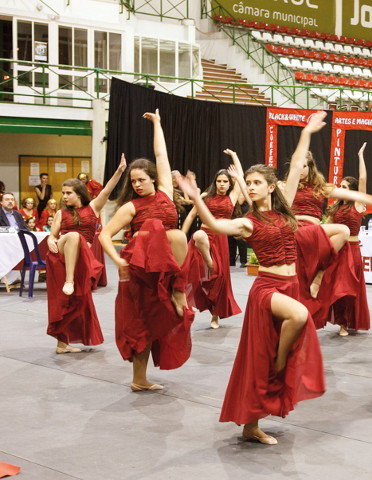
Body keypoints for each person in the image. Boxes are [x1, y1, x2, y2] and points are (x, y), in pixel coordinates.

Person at [175, 111, 327, 445]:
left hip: (291, 287)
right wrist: (196, 197)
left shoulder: (284, 208)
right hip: (267, 290)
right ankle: (280, 359)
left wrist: (306, 132)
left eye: (257, 182)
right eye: (250, 183)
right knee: (299, 318)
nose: (252, 187)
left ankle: (251, 425)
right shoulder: (249, 222)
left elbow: (299, 158)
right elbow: (215, 226)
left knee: (260, 359)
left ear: (272, 186)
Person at [98, 109, 194, 392]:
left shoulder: (165, 191)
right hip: (141, 269)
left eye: (142, 179)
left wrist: (158, 125)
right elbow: (104, 234)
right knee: (142, 320)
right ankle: (139, 379)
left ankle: (178, 290)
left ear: (153, 179)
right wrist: (117, 260)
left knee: (176, 234)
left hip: (167, 267)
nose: (137, 185)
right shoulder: (130, 207)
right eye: (134, 181)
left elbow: (161, 156)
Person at [288, 145, 372, 327]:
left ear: (310, 167)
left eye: (303, 166)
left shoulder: (324, 189)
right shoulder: (288, 187)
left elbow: (358, 185)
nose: (299, 169)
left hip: (333, 240)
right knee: (299, 281)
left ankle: (320, 279)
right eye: (296, 166)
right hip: (299, 232)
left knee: (343, 285)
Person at [45, 159, 126, 354]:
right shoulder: (61, 213)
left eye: (68, 193)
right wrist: (49, 240)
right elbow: (53, 235)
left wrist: (120, 170)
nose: (64, 197)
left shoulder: (93, 208)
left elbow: (106, 190)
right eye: (63, 193)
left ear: (79, 193)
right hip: (60, 257)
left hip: (80, 259)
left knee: (72, 301)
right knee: (73, 236)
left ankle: (61, 345)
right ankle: (70, 280)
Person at [321, 143, 372, 336]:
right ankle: (339, 321)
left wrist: (360, 156)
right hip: (337, 250)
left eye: (345, 187)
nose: (341, 189)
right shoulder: (335, 207)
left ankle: (346, 323)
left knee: (347, 289)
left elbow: (363, 178)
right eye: (340, 186)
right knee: (334, 286)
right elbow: (324, 229)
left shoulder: (359, 204)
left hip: (352, 250)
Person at [182, 152, 244, 329]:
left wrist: (234, 156)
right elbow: (192, 215)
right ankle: (184, 304)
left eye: (225, 181)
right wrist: (182, 234)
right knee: (193, 266)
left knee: (219, 278)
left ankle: (215, 315)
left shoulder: (232, 197)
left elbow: (241, 175)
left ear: (229, 183)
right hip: (204, 236)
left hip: (220, 238)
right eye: (219, 181)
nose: (222, 184)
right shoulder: (205, 197)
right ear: (215, 182)